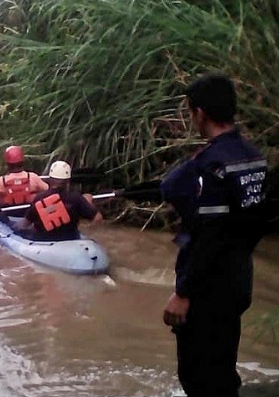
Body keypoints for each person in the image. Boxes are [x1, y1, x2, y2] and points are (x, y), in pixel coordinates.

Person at [160, 73, 267, 397]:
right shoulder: (253, 159)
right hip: (238, 281)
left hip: (208, 289)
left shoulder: (211, 165)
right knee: (222, 367)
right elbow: (253, 224)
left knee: (198, 376)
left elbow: (211, 235)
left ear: (199, 114)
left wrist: (184, 292)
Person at [13, 161, 103, 241]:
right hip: (70, 240)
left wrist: (13, 227)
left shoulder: (39, 198)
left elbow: (25, 224)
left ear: (50, 179)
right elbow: (98, 218)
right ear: (68, 180)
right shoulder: (76, 198)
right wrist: (89, 203)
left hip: (42, 241)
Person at [0, 145, 49, 212]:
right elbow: (47, 189)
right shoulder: (33, 177)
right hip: (28, 211)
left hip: (9, 212)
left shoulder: (2, 181)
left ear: (7, 164)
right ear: (22, 161)